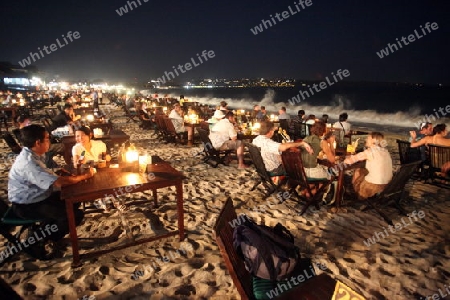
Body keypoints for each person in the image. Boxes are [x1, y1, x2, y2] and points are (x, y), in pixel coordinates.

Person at [8, 125, 94, 255]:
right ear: (38, 142)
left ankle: (45, 228)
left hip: (36, 196)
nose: (50, 141)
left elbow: (43, 173)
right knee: (74, 215)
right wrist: (84, 177)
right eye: (47, 139)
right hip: (27, 206)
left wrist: (56, 171)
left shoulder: (32, 153)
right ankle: (40, 238)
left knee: (74, 200)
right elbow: (58, 182)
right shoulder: (28, 162)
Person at [344, 132, 393, 200]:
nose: (366, 140)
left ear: (374, 140)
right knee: (360, 170)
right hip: (387, 186)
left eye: (368, 138)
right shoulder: (385, 151)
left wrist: (348, 157)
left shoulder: (369, 151)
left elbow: (348, 161)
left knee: (358, 171)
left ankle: (358, 194)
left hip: (371, 188)